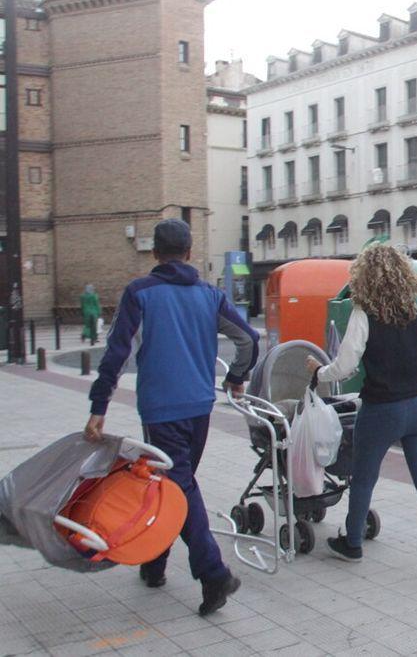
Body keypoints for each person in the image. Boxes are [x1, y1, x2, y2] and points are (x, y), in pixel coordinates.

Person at [84, 218, 260, 616]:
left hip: (162, 409)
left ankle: (213, 573)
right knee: (172, 483)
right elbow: (248, 338)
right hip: (200, 407)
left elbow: (117, 353)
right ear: (190, 251)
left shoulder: (140, 293)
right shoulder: (209, 295)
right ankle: (155, 562)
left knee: (176, 487)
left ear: (154, 253)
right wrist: (235, 378)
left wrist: (99, 406)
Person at [306, 244, 417, 579]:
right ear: (403, 275)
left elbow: (345, 366)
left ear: (365, 277)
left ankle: (352, 543)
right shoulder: (416, 312)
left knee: (364, 477)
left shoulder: (364, 314)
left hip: (384, 410)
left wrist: (318, 372)